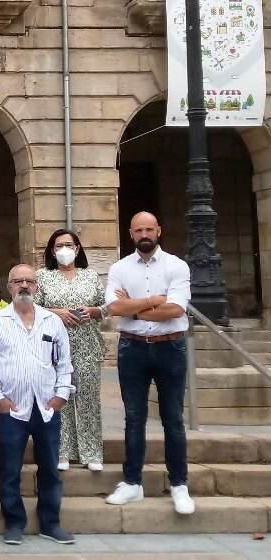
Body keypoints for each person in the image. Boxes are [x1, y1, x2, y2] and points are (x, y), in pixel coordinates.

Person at [104, 211, 194, 515]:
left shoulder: (176, 266)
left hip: (170, 348)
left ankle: (179, 484)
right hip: (132, 349)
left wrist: (135, 309)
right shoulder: (119, 268)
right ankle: (132, 483)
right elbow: (114, 307)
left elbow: (175, 309)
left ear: (159, 230)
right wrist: (154, 300)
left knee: (173, 418)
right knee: (133, 417)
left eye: (149, 229)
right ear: (131, 233)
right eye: (139, 229)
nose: (145, 234)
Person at [0, 264, 75, 546]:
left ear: (37, 287)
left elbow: (64, 364)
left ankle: (50, 523)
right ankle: (14, 522)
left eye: (29, 281)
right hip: (13, 409)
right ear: (9, 287)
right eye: (17, 281)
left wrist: (60, 396)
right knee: (10, 469)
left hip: (47, 407)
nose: (24, 286)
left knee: (49, 469)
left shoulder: (52, 322)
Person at [35, 229, 107, 472]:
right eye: (58, 246)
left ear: (77, 248)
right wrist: (59, 313)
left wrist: (92, 311)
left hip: (87, 345)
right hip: (53, 347)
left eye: (68, 244)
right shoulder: (42, 277)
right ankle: (62, 451)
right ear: (52, 251)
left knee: (88, 399)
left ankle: (91, 451)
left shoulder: (91, 276)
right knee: (58, 398)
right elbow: (32, 308)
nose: (64, 250)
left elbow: (106, 307)